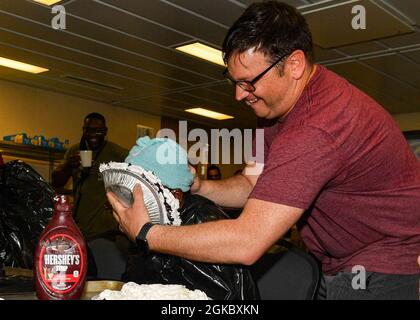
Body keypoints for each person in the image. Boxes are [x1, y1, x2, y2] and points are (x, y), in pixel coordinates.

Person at [107, 1, 420, 299]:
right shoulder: (275, 114)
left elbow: (247, 241)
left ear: (294, 64)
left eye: (248, 82)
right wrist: (199, 185)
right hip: (339, 259)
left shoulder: (316, 126)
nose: (239, 95)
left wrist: (147, 232)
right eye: (233, 81)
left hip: (383, 264)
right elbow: (252, 184)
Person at [120, 137, 258, 299]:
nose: (133, 203)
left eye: (141, 194)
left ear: (175, 196)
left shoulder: (203, 222)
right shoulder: (151, 220)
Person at [52, 112, 129, 280]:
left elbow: (138, 175)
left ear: (105, 131)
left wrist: (122, 199)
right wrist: (67, 166)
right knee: (78, 275)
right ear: (83, 130)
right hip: (79, 228)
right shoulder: (75, 150)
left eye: (98, 130)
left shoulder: (117, 153)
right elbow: (56, 182)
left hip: (105, 230)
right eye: (89, 130)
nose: (94, 134)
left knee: (100, 274)